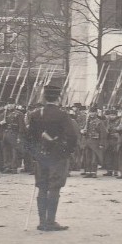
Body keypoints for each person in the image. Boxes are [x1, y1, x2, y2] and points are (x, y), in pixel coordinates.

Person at [24, 84, 80, 231]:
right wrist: (67, 151)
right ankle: (50, 221)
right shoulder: (62, 115)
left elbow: (29, 137)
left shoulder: (35, 114)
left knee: (42, 186)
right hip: (58, 156)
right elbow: (72, 136)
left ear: (44, 97)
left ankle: (42, 222)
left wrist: (35, 153)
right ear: (58, 98)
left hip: (41, 155)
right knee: (54, 187)